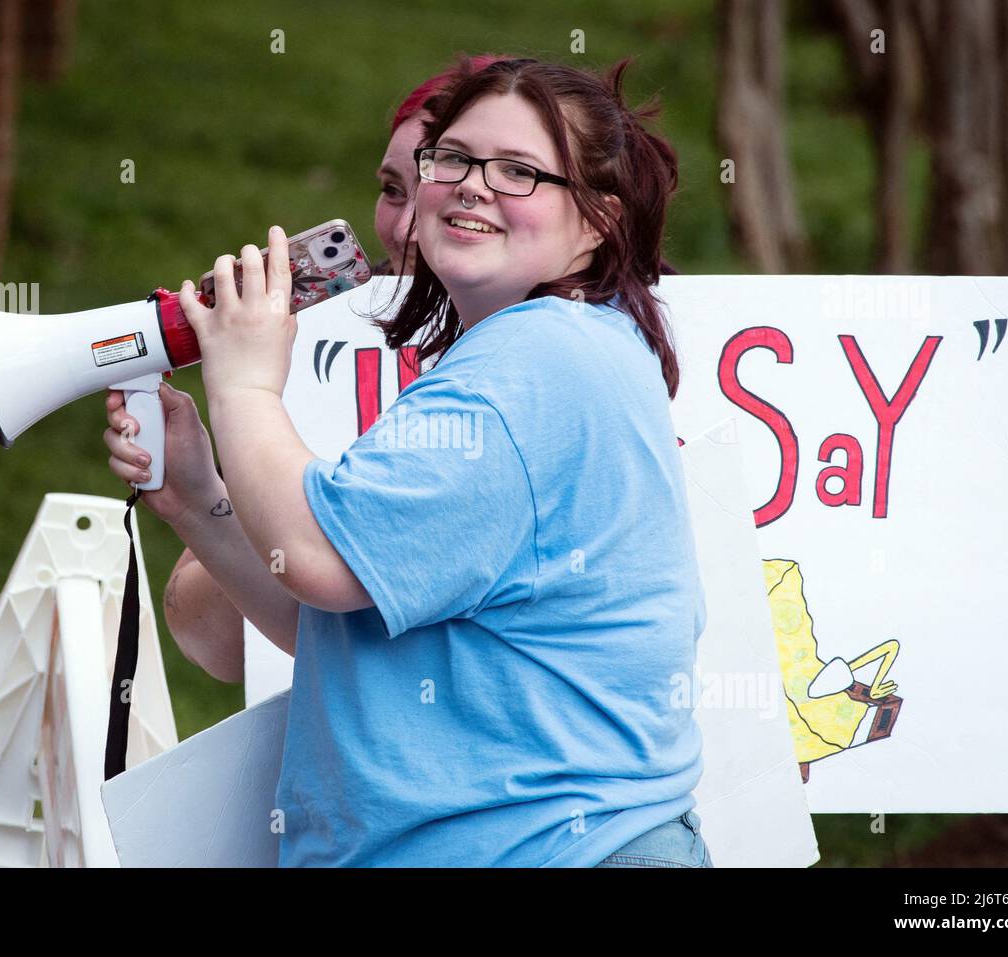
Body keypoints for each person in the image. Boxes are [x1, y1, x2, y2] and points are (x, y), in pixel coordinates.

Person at [104, 56, 711, 868]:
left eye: (519, 172)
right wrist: (200, 496)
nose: (471, 185)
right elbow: (342, 621)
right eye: (453, 159)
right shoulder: (544, 350)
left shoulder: (531, 368)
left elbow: (318, 559)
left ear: (599, 220)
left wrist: (246, 383)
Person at [150, 56, 506, 685]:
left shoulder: (573, 377)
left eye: (453, 197)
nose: (403, 229)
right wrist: (199, 501)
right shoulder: (329, 352)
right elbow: (224, 644)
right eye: (393, 190)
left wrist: (245, 393)